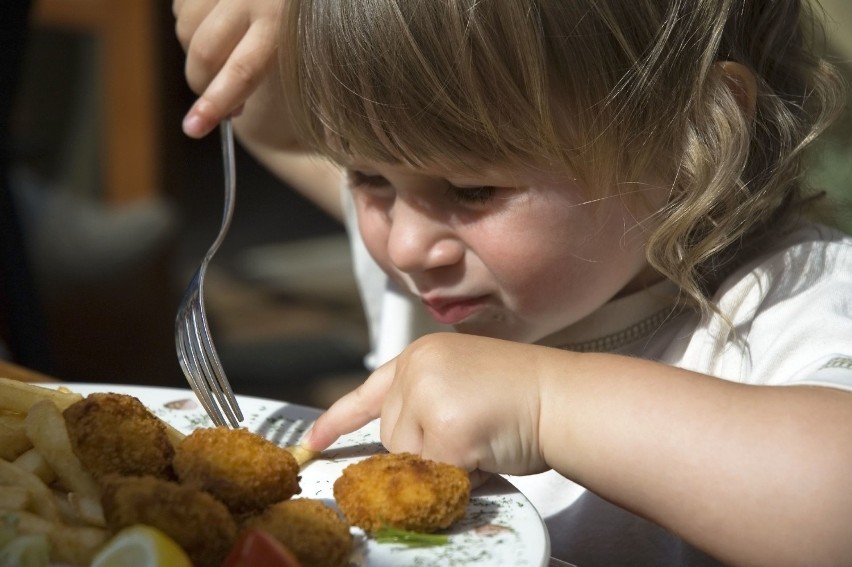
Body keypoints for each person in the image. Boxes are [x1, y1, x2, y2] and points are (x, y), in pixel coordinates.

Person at [173, 1, 852, 565]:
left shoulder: (793, 303)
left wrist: (544, 404)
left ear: (688, 139)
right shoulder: (444, 249)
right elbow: (265, 114)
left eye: (472, 189)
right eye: (367, 177)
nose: (406, 247)